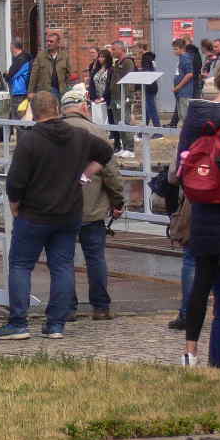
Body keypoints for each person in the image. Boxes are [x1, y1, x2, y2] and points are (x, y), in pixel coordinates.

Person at [0, 91, 113, 341]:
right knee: (62, 266)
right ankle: (56, 324)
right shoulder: (79, 136)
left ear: (34, 112)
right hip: (69, 213)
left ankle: (18, 323)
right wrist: (86, 175)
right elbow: (106, 152)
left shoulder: (30, 141)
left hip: (34, 214)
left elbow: (16, 181)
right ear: (57, 108)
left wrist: (15, 205)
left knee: (21, 265)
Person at [178, 58, 220, 368]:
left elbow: (178, 170)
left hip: (202, 214)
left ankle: (190, 354)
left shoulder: (195, 117)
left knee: (201, 287)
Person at [60, 84, 123, 320]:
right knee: (95, 258)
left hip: (61, 208)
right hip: (92, 206)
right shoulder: (96, 131)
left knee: (63, 259)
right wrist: (118, 200)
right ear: (84, 107)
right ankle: (100, 307)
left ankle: (67, 308)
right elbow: (110, 171)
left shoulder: (52, 131)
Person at [108, 40, 137, 156]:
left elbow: (129, 80)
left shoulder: (127, 62)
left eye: (114, 49)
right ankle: (124, 146)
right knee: (119, 122)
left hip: (123, 96)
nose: (112, 52)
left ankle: (130, 149)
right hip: (115, 96)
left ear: (121, 49)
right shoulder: (117, 63)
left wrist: (128, 96)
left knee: (125, 121)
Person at [28, 30, 72, 97]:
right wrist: (30, 91)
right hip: (45, 92)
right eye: (47, 41)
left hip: (61, 91)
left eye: (51, 41)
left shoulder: (64, 56)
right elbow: (34, 74)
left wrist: (66, 87)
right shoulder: (41, 56)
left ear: (58, 43)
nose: (48, 43)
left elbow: (68, 74)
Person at [171, 38, 196, 126]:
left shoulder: (185, 58)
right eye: (173, 49)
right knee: (181, 115)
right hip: (180, 92)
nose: (174, 51)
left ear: (182, 49)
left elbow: (189, 74)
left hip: (185, 92)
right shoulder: (181, 58)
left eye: (176, 49)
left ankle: (188, 133)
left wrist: (178, 87)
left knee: (185, 116)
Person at [6, 39, 32, 119]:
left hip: (19, 92)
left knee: (18, 118)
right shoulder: (26, 58)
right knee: (22, 117)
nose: (10, 50)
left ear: (13, 47)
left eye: (10, 48)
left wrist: (6, 74)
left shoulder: (20, 60)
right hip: (24, 92)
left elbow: (10, 75)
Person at [140, 49, 162, 129]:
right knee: (148, 109)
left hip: (148, 85)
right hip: (154, 85)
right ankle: (142, 130)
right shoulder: (151, 59)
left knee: (152, 109)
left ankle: (158, 130)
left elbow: (146, 72)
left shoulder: (145, 58)